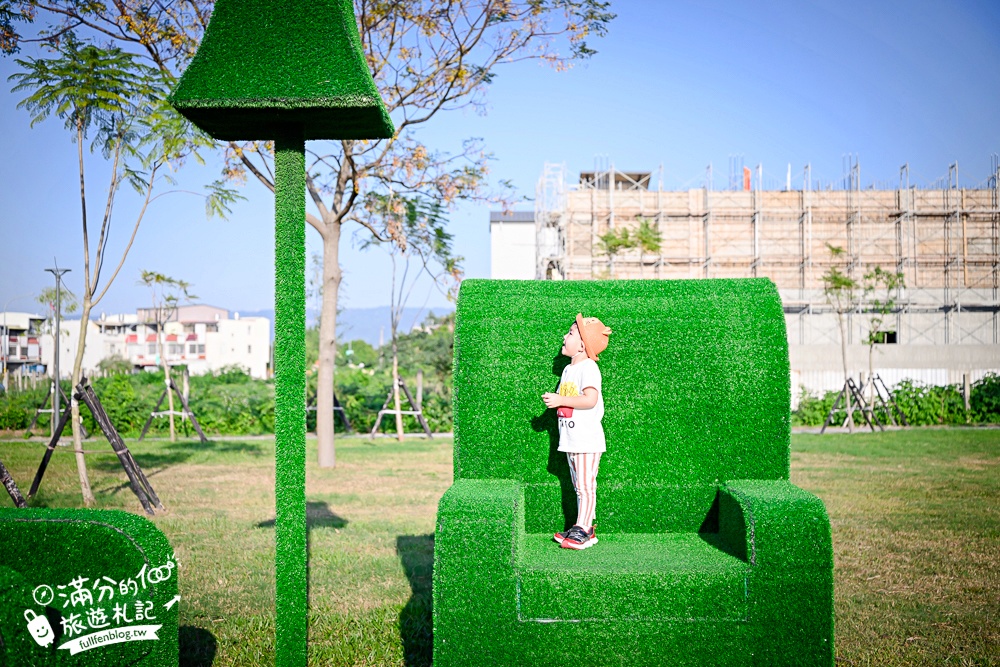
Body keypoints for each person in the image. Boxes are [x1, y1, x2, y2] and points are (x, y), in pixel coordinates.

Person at [541, 313, 612, 550]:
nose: (565, 336)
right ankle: (580, 526)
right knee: (578, 485)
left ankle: (585, 529)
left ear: (583, 344)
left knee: (585, 486)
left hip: (586, 440)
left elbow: (590, 399)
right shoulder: (569, 370)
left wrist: (560, 398)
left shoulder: (589, 368)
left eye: (570, 333)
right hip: (572, 439)